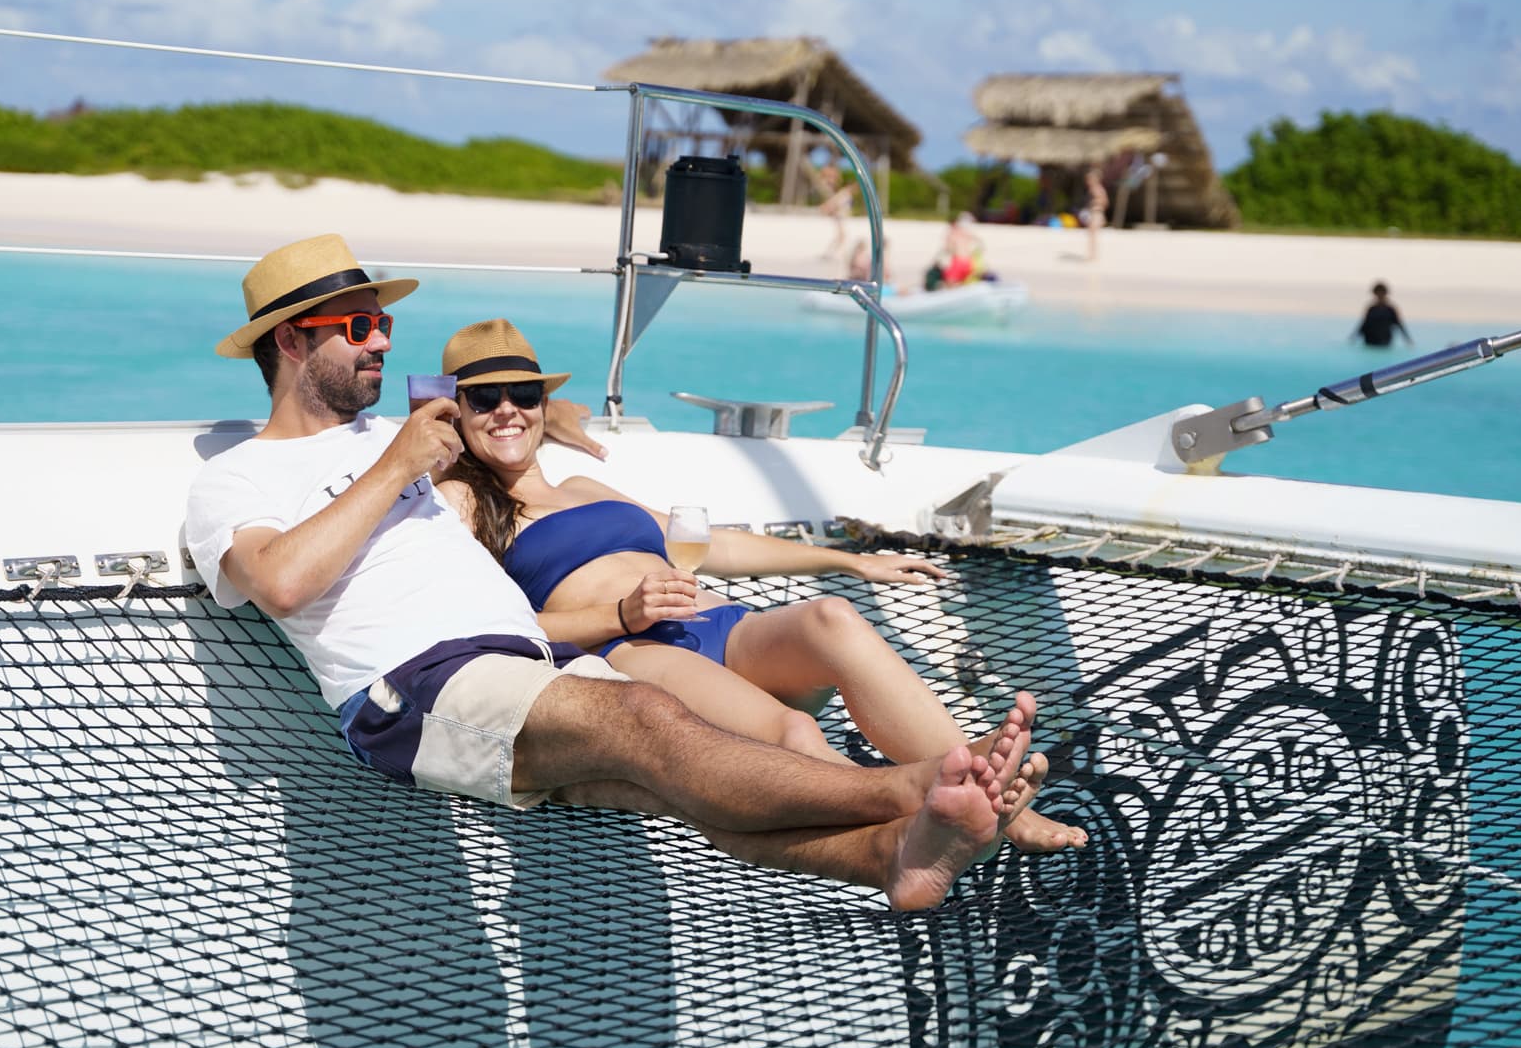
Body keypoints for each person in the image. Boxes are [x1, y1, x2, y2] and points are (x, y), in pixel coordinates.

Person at [185, 234, 1048, 910]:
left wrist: (548, 413)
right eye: (358, 328)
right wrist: (395, 465)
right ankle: (917, 787)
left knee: (685, 784)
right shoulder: (239, 477)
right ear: (292, 340)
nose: (380, 341)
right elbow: (282, 582)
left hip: (527, 665)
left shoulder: (400, 436)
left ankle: (891, 857)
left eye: (384, 325)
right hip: (420, 684)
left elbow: (498, 412)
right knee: (649, 716)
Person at [433, 317, 1087, 855]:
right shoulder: (462, 501)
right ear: (456, 410)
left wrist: (848, 563)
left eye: (524, 394)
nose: (507, 410)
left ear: (543, 404)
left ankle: (986, 793)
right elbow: (484, 629)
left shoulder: (581, 484)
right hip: (630, 651)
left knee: (831, 618)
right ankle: (927, 818)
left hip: (717, 622)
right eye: (484, 399)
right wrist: (622, 613)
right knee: (793, 733)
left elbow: (709, 543)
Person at [1354, 282, 1413, 348]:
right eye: (1378, 293)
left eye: (1382, 293)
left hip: (1384, 340)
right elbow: (1364, 324)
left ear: (1385, 293)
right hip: (1370, 340)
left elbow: (1399, 324)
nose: (1380, 295)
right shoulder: (1371, 309)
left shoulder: (1391, 309)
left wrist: (1407, 339)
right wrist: (1354, 336)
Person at [815, 163, 853, 266]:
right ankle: (834, 254)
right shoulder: (840, 192)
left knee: (842, 236)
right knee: (842, 235)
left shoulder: (840, 192)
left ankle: (833, 254)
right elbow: (833, 202)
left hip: (839, 214)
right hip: (839, 215)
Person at [937, 212, 983, 287]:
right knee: (961, 284)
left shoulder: (951, 234)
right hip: (969, 262)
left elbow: (948, 249)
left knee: (950, 283)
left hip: (958, 261)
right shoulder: (965, 232)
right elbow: (978, 241)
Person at [1080, 167, 1108, 262]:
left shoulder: (1097, 189)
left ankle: (1093, 256)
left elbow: (1104, 201)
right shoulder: (1094, 189)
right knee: (1092, 235)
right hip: (1095, 213)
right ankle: (1092, 255)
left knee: (1093, 236)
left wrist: (1094, 203)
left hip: (1096, 213)